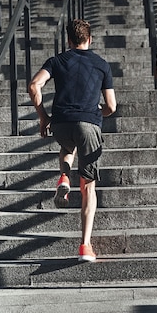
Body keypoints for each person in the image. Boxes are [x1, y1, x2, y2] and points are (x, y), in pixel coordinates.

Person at [28, 19, 117, 262]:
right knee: (88, 187)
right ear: (90, 40)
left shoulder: (56, 61)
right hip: (88, 123)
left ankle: (64, 176)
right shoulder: (101, 64)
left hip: (60, 123)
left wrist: (43, 117)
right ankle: (85, 246)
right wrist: (97, 111)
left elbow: (35, 85)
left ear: (68, 41)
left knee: (67, 146)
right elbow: (111, 106)